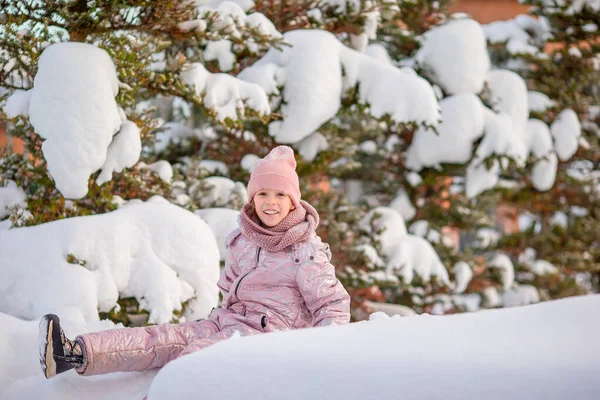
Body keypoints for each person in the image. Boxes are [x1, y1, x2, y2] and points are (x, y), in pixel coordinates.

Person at [39, 145, 351, 379]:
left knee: (190, 361)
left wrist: (314, 358)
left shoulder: (304, 249)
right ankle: (74, 354)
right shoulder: (243, 240)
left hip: (268, 339)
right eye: (263, 193)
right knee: (161, 338)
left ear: (293, 201)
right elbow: (230, 291)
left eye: (281, 195)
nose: (271, 202)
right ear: (252, 198)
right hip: (227, 323)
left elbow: (333, 307)